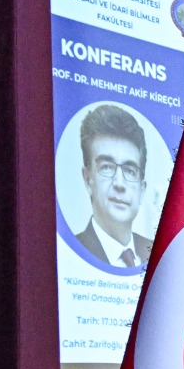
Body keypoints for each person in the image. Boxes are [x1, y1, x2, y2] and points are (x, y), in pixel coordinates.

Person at [68, 102, 155, 269]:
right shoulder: (72, 252)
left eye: (130, 171)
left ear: (142, 190)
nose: (119, 184)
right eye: (107, 167)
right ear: (87, 179)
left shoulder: (157, 256)